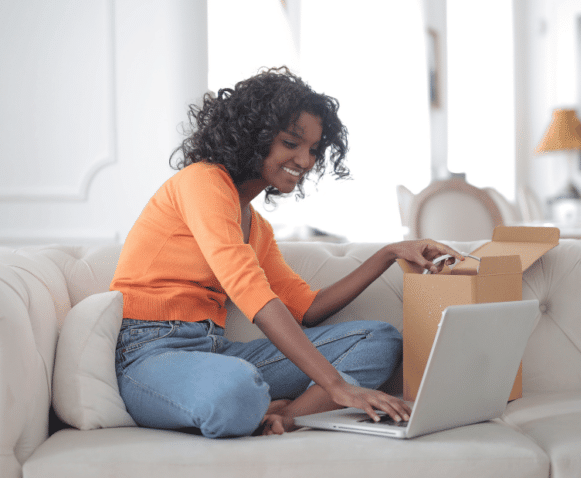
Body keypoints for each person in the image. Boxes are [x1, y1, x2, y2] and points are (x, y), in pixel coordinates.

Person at [110, 67, 462, 438]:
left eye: (313, 149)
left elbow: (307, 309)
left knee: (378, 340)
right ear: (253, 136)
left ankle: (287, 417)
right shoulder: (203, 180)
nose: (306, 161)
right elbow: (251, 292)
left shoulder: (256, 227)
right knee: (237, 388)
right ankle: (258, 401)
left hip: (212, 350)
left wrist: (388, 254)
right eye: (291, 144)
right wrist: (336, 386)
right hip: (148, 355)